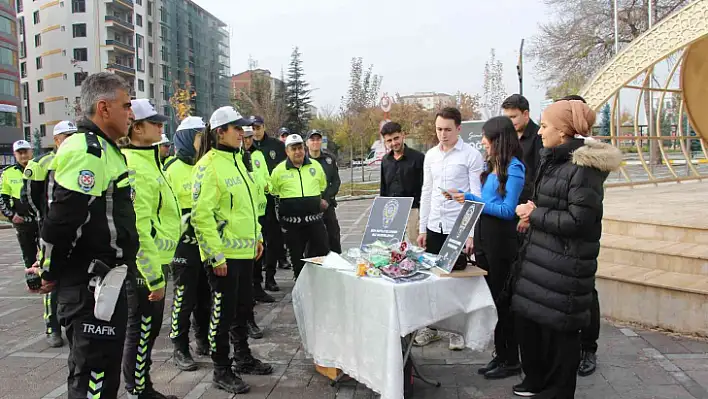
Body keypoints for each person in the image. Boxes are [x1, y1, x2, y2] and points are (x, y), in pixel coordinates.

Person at [25, 72, 137, 398]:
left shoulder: (104, 149)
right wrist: (48, 270)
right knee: (92, 380)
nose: (130, 113)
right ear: (104, 107)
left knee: (102, 377)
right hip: (90, 287)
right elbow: (63, 218)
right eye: (125, 105)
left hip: (106, 284)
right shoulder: (89, 150)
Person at [512, 100, 621, 398]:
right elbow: (558, 204)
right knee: (535, 326)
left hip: (565, 268)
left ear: (563, 132)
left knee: (561, 336)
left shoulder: (583, 168)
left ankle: (557, 390)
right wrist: (537, 207)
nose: (540, 132)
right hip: (545, 261)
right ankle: (539, 382)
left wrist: (534, 214)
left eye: (545, 126)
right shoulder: (556, 159)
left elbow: (580, 221)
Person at [192, 106, 273, 394]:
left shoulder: (240, 160)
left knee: (242, 309)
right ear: (219, 132)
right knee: (222, 315)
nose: (243, 133)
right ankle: (221, 370)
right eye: (236, 128)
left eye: (244, 128)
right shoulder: (208, 165)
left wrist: (258, 237)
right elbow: (201, 216)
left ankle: (242, 357)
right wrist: (215, 255)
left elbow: (248, 207)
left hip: (246, 252)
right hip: (223, 258)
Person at [447, 116, 525, 379]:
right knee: (492, 300)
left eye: (486, 137)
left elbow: (507, 210)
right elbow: (488, 201)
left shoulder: (514, 168)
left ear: (499, 139)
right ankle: (500, 355)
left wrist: (470, 199)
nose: (482, 142)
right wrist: (466, 198)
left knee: (503, 302)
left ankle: (511, 359)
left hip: (501, 243)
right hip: (485, 240)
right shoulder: (493, 167)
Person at [121, 99, 180, 399]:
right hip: (147, 267)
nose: (161, 127)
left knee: (148, 328)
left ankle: (140, 385)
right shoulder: (136, 167)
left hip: (158, 260)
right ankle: (138, 389)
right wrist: (154, 276)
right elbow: (140, 228)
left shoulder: (150, 161)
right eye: (154, 123)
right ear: (136, 128)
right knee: (143, 328)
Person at [415, 107, 484, 351]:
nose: (442, 134)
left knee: (457, 281)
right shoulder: (431, 155)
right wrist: (422, 227)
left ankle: (457, 330)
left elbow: (476, 196)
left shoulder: (471, 155)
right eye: (438, 129)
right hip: (435, 224)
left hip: (458, 227)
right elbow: (426, 191)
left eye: (447, 129)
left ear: (458, 129)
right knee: (433, 278)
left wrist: (471, 233)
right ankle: (431, 327)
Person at [21, 121, 77, 348]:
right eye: (66, 136)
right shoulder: (42, 163)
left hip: (73, 232)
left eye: (74, 135)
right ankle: (51, 325)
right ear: (56, 140)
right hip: (48, 230)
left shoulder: (79, 159)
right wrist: (44, 223)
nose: (71, 140)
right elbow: (30, 197)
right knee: (48, 274)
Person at [557, 94, 600, 378]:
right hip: (557, 235)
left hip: (579, 238)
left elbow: (581, 211)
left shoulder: (589, 157)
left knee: (587, 294)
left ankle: (588, 348)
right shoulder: (553, 150)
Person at [164, 116, 212, 371]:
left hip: (207, 245)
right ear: (184, 139)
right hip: (183, 247)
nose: (203, 142)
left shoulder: (206, 165)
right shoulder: (171, 170)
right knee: (184, 298)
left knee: (206, 296)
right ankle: (179, 346)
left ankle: (202, 339)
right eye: (198, 137)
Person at [270, 134, 329, 279]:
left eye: (300, 148)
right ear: (287, 151)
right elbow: (274, 191)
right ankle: (301, 284)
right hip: (292, 225)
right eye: (293, 149)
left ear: (304, 148)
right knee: (296, 257)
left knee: (322, 252)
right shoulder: (278, 170)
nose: (297, 152)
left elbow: (322, 186)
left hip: (315, 221)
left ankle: (320, 282)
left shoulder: (316, 166)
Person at [242, 123, 274, 337]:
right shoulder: (234, 160)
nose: (246, 141)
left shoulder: (258, 155)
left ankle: (257, 286)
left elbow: (265, 178)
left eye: (248, 137)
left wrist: (265, 185)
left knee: (261, 251)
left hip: (260, 210)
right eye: (243, 137)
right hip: (244, 217)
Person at [251, 116, 290, 277]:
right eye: (252, 128)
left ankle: (270, 277)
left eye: (258, 127)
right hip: (254, 203)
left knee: (274, 239)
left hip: (272, 200)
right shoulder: (246, 148)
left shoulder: (277, 146)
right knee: (257, 240)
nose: (255, 131)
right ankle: (257, 277)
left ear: (264, 127)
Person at [501, 94, 541, 233]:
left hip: (526, 211)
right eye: (507, 118)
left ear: (526, 114)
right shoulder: (507, 137)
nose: (509, 122)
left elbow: (539, 178)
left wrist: (528, 216)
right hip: (508, 207)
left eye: (513, 117)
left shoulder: (539, 138)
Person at [379, 122, 425, 244]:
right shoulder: (385, 161)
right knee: (393, 246)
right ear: (385, 142)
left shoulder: (418, 158)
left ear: (402, 135)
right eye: (389, 141)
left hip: (413, 210)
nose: (393, 143)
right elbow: (383, 188)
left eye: (396, 138)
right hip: (391, 212)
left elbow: (425, 187)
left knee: (415, 247)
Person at [1, 140, 36, 272]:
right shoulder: (8, 173)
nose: (23, 156)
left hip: (41, 219)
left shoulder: (40, 167)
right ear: (15, 154)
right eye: (19, 153)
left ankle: (49, 279)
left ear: (31, 152)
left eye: (25, 152)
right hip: (22, 220)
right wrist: (11, 215)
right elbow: (2, 198)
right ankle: (32, 278)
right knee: (28, 253)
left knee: (48, 252)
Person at [306, 129, 342, 253]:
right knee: (311, 240)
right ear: (307, 143)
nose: (315, 142)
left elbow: (336, 181)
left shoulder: (329, 159)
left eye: (318, 139)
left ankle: (337, 263)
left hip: (327, 204)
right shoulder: (303, 161)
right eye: (312, 139)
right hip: (310, 206)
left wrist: (327, 198)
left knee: (334, 235)